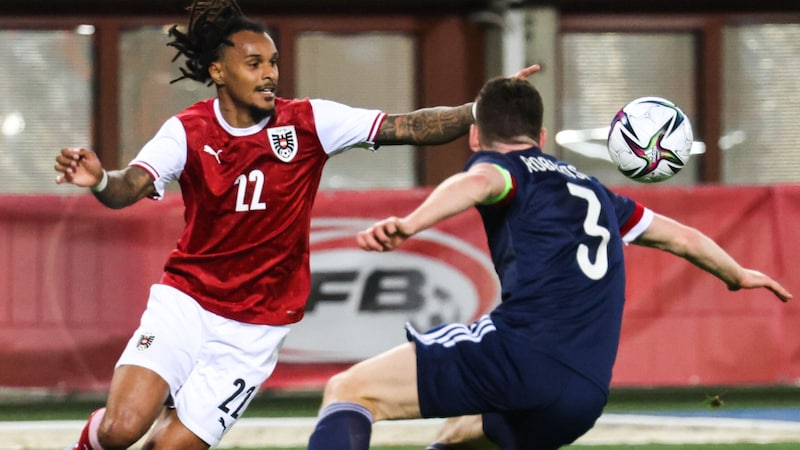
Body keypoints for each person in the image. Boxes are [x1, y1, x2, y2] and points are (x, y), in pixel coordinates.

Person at [53, 1, 539, 449]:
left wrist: (480, 111)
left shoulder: (310, 121)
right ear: (218, 71)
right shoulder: (188, 130)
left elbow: (408, 126)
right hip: (188, 301)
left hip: (257, 328)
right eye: (255, 64)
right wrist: (100, 180)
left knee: (167, 447)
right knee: (121, 430)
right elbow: (129, 187)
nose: (270, 75)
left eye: (274, 63)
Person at [305, 76, 793, 450]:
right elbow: (682, 238)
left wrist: (412, 222)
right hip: (582, 395)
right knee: (460, 436)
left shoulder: (506, 168)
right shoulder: (598, 193)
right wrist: (737, 275)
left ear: (475, 137)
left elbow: (479, 183)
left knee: (351, 390)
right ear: (539, 134)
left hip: (523, 356)